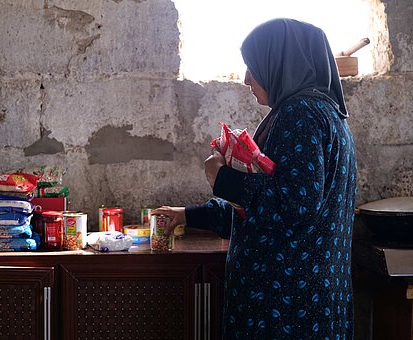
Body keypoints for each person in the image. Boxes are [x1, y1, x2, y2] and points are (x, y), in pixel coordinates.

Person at [152, 18, 357, 339]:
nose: (246, 78)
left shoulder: (300, 114)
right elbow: (262, 206)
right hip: (306, 301)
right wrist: (188, 215)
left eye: (254, 67)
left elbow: (293, 207)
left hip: (285, 305)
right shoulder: (327, 114)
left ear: (279, 64)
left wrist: (221, 178)